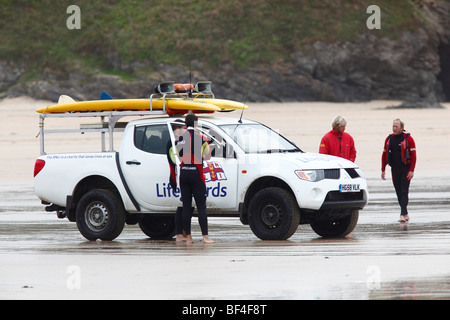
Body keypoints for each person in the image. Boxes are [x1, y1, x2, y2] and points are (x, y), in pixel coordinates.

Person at [175, 114, 214, 243]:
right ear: (196, 124)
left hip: (184, 172)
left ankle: (188, 238)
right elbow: (208, 157)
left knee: (186, 206)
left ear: (185, 125)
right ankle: (205, 237)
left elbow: (179, 157)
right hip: (196, 173)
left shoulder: (179, 139)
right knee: (201, 206)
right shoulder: (202, 139)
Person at [381, 118, 417, 222]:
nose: (394, 128)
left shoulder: (408, 138)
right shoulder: (389, 139)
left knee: (404, 190)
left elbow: (414, 156)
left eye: (396, 126)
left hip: (406, 168)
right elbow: (384, 155)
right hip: (394, 169)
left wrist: (412, 170)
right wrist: (383, 169)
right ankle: (405, 213)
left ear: (401, 128)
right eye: (393, 126)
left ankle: (402, 214)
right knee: (398, 191)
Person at [166, 119, 190, 242]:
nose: (186, 130)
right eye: (184, 128)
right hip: (176, 177)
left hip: (182, 176)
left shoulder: (180, 141)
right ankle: (179, 234)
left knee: (187, 206)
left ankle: (185, 232)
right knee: (181, 206)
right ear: (177, 129)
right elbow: (175, 160)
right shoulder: (172, 142)